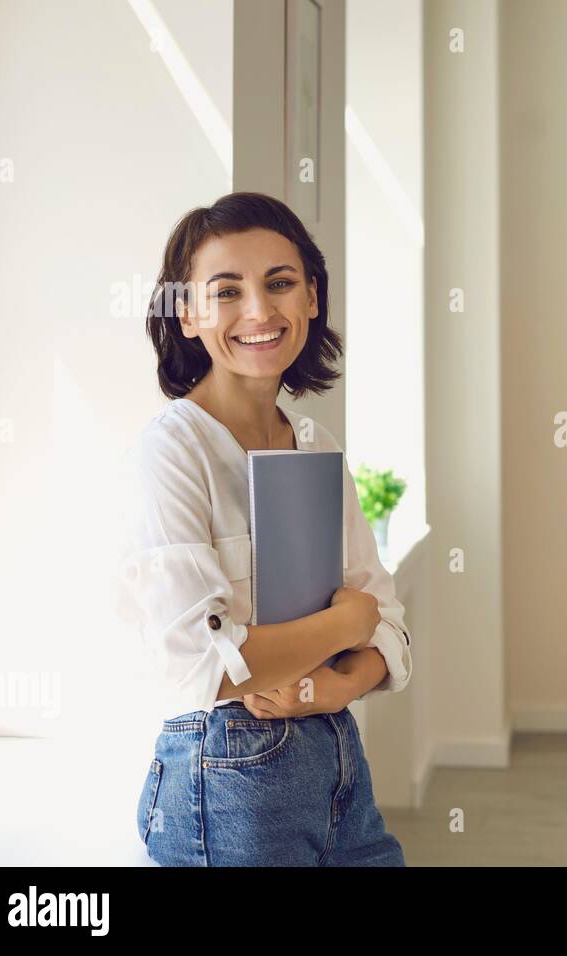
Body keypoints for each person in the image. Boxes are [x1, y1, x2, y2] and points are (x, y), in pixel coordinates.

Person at [117, 192, 412, 866]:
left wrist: (336, 685)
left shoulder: (313, 444)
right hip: (226, 777)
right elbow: (207, 668)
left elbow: (389, 620)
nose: (258, 310)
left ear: (311, 296)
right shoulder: (172, 450)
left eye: (280, 282)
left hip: (338, 759)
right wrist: (344, 627)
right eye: (225, 292)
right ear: (187, 314)